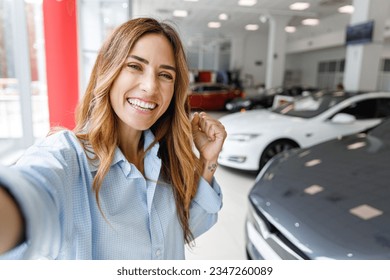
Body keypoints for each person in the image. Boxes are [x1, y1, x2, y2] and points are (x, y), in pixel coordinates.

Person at [0, 17, 226, 260]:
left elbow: (184, 228)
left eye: (165, 75)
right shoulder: (69, 158)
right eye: (135, 66)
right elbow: (31, 191)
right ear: (109, 70)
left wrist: (208, 161)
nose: (150, 87)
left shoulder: (166, 158)